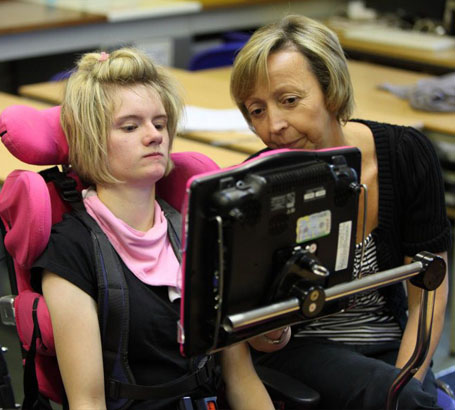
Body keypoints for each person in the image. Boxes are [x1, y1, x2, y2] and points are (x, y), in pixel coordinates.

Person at [32, 48, 275, 410]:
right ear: (91, 138)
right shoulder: (73, 250)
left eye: (159, 124)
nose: (154, 136)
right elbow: (88, 402)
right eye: (130, 126)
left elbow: (241, 377)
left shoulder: (202, 233)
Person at [230, 15, 451, 410]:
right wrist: (269, 332)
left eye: (289, 100)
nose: (274, 126)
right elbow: (259, 333)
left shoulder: (404, 155)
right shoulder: (258, 188)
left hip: (387, 342)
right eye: (257, 110)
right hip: (302, 349)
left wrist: (405, 385)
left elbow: (429, 294)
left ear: (331, 90)